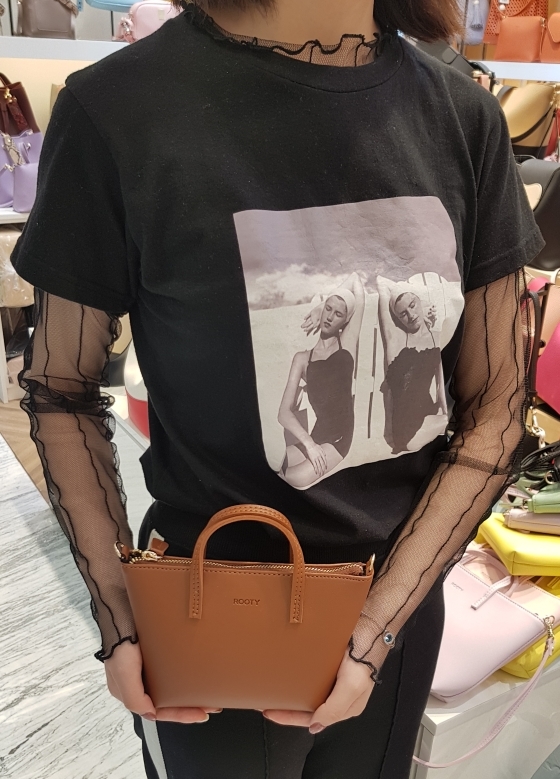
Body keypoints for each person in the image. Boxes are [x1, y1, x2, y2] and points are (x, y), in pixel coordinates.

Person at [11, 0, 542, 776]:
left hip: (397, 603)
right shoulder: (118, 110)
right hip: (213, 606)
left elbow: (495, 408)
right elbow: (61, 385)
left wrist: (378, 626)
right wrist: (120, 613)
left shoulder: (463, 118)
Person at [278, 272, 365, 488]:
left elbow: (356, 280)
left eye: (338, 313)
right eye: (328, 309)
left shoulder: (347, 343)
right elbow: (284, 413)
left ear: (345, 320)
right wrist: (310, 444)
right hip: (317, 435)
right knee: (274, 465)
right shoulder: (302, 359)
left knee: (292, 478)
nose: (330, 317)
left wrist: (320, 306)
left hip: (339, 439)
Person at [377, 277, 447, 455]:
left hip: (426, 417)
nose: (410, 315)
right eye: (403, 314)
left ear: (420, 301)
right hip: (408, 431)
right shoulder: (396, 339)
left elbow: (440, 388)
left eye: (413, 305)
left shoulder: (436, 337)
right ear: (398, 319)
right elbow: (381, 283)